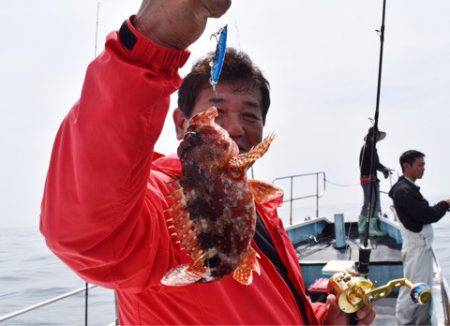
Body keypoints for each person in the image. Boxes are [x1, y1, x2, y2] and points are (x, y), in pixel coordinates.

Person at [40, 0, 375, 324]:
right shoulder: (157, 202)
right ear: (181, 123)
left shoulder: (261, 209)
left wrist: (323, 321)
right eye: (216, 111)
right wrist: (151, 41)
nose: (233, 127)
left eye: (249, 114)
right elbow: (90, 234)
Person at [389, 150, 450, 325]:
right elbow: (427, 214)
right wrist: (445, 204)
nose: (423, 168)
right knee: (412, 289)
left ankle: (420, 322)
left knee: (422, 289)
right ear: (406, 166)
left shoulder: (407, 189)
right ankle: (404, 322)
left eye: (424, 164)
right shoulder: (403, 191)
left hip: (421, 248)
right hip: (416, 249)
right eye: (420, 164)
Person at [358, 126, 390, 236]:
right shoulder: (370, 148)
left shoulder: (365, 147)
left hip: (364, 179)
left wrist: (383, 169)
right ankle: (372, 229)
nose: (377, 138)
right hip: (370, 179)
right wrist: (384, 169)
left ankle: (362, 227)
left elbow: (373, 164)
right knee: (373, 203)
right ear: (372, 136)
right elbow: (375, 164)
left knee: (367, 203)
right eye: (376, 135)